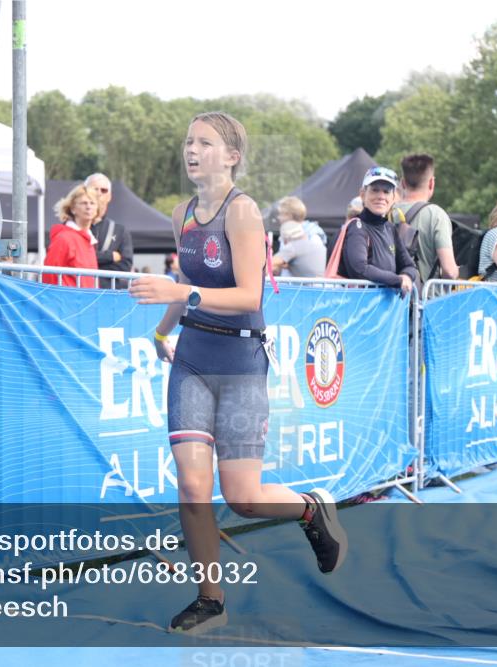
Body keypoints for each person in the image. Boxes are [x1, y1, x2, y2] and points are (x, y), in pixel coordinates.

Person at [127, 111, 347, 635]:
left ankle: (311, 510)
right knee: (192, 484)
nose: (192, 150)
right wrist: (161, 331)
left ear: (232, 156)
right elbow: (189, 283)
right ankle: (211, 600)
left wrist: (180, 292)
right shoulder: (181, 213)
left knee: (243, 498)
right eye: (188, 141)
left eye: (205, 143)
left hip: (241, 362)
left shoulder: (242, 211)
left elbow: (249, 296)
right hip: (192, 359)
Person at [340, 165, 417, 296]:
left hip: (387, 307)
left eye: (386, 192)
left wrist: (406, 276)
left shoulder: (390, 228)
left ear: (393, 198)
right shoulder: (357, 227)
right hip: (360, 305)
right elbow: (360, 269)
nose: (381, 196)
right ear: (363, 194)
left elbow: (409, 266)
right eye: (375, 190)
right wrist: (397, 281)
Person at [394, 154, 459, 282]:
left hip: (389, 292)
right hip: (425, 293)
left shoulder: (388, 212)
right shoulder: (437, 215)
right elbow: (449, 271)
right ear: (431, 183)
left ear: (402, 183)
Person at [43, 184, 100, 288]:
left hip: (86, 297)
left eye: (92, 203)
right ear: (73, 208)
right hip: (67, 297)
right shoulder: (64, 238)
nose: (88, 207)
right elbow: (50, 275)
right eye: (84, 203)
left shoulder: (89, 240)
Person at [85, 173, 134, 288]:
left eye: (104, 190)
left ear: (109, 196)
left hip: (108, 292)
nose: (99, 193)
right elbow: (77, 260)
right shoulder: (73, 227)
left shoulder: (120, 231)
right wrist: (110, 256)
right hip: (79, 291)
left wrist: (92, 267)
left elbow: (125, 266)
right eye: (94, 189)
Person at [271, 196, 326, 277]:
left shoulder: (313, 235)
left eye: (281, 214)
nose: (278, 217)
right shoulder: (287, 233)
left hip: (302, 283)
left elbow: (312, 266)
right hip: (289, 281)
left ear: (289, 215)